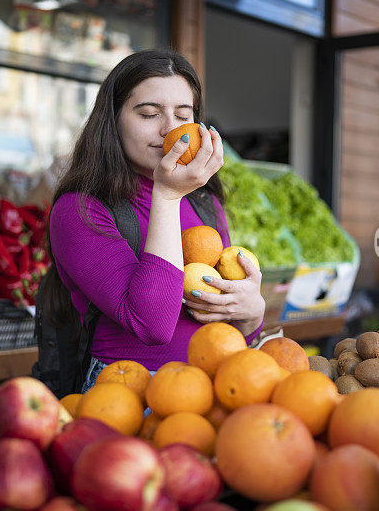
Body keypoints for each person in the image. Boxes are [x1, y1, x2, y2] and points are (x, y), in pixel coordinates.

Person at [38, 49, 265, 393]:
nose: (170, 131)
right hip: (127, 391)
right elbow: (153, 324)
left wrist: (250, 312)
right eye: (148, 113)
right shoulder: (79, 210)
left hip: (212, 385)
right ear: (112, 120)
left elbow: (230, 325)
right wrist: (168, 195)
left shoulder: (205, 200)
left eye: (183, 115)